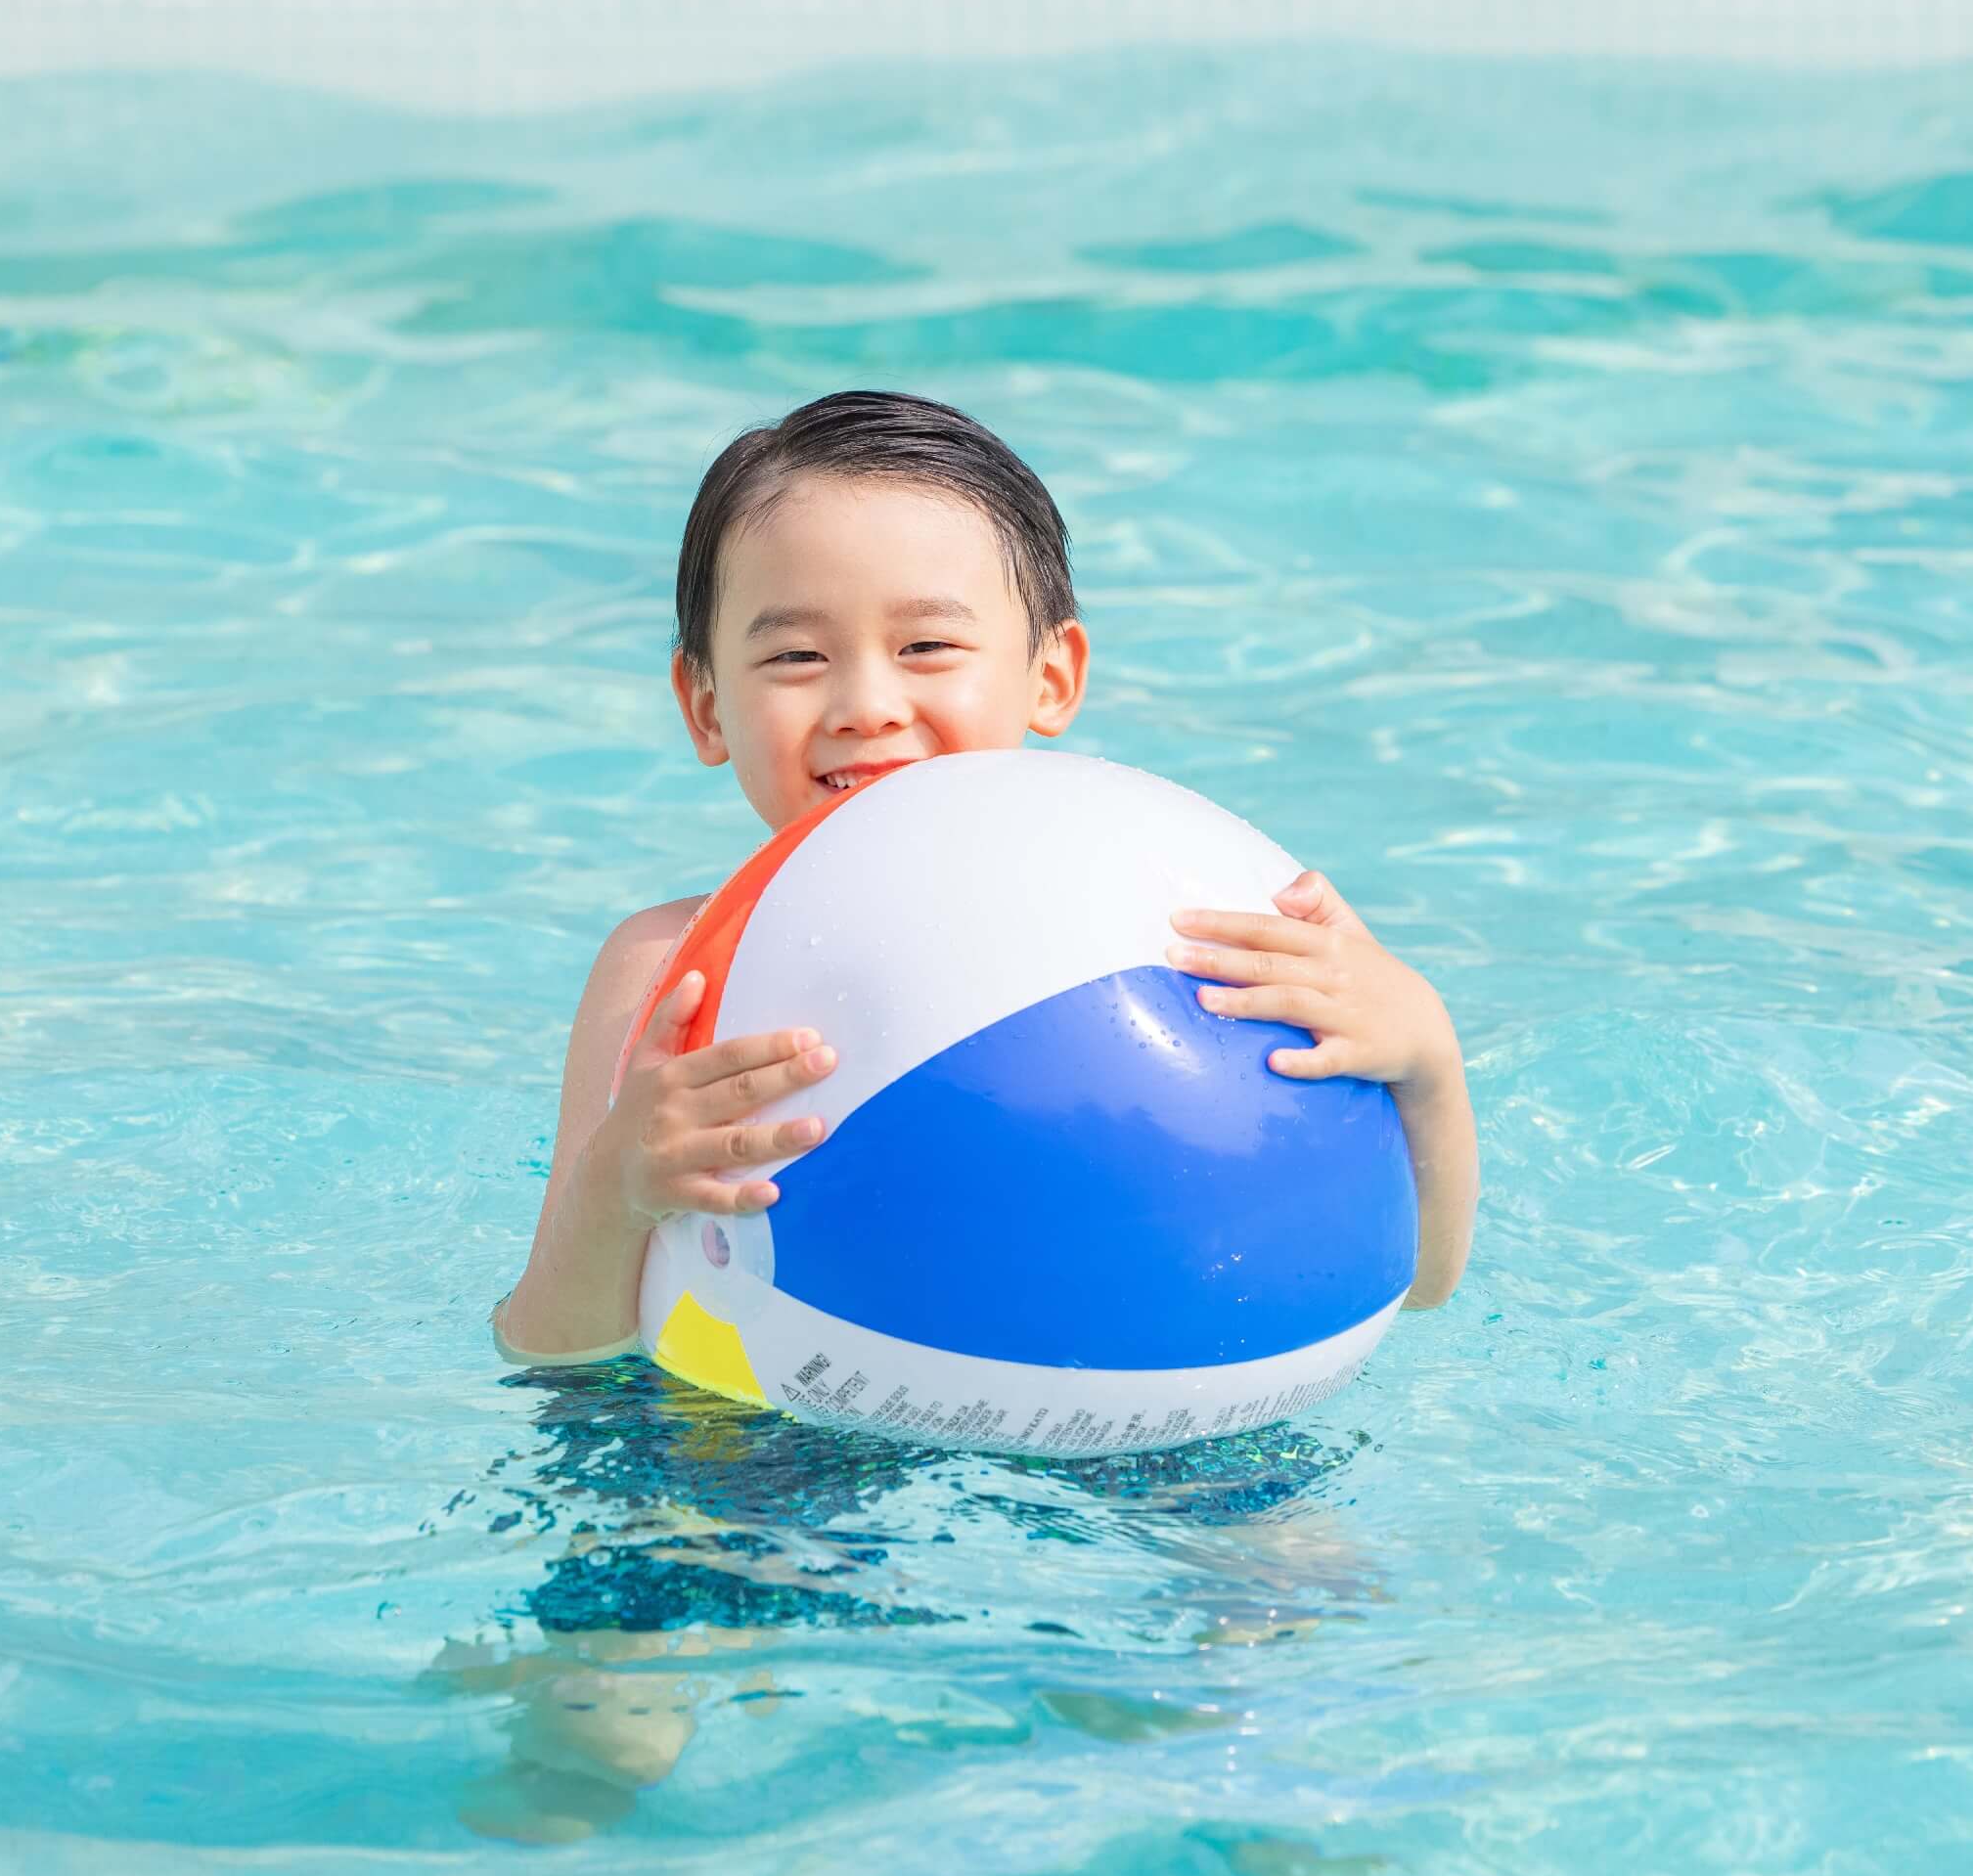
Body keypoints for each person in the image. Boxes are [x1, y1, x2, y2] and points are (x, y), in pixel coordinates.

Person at [492, 389, 1479, 1365]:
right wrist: (619, 1184)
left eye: (927, 647)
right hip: (751, 1427)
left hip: (1171, 1410)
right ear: (705, 705)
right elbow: (549, 1349)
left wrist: (1425, 1060)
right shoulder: (666, 970)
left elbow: (1415, 1283)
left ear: (1052, 676)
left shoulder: (1177, 922)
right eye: (796, 655)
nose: (867, 704)